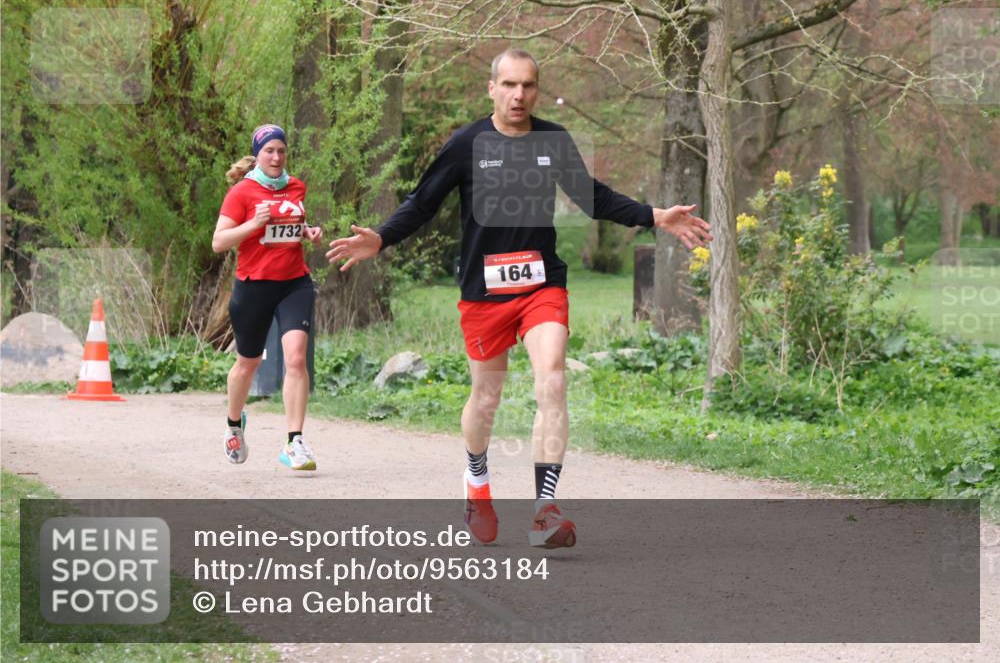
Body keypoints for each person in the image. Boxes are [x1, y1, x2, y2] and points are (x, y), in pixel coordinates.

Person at [326, 50, 712, 547]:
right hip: (484, 292)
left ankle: (543, 510)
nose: (519, 95)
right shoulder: (467, 143)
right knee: (486, 399)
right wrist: (379, 238)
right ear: (492, 88)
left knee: (551, 379)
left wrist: (656, 215)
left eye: (528, 85)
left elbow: (591, 196)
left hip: (541, 285)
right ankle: (477, 482)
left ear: (536, 89)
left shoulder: (552, 140)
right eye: (509, 85)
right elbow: (422, 203)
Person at [212, 124, 324, 471]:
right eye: (269, 151)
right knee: (248, 364)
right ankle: (234, 425)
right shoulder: (242, 193)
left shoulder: (296, 187)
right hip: (254, 286)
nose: (276, 157)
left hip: (293, 283)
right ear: (258, 155)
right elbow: (219, 242)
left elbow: (290, 227)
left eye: (281, 151)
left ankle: (295, 442)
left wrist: (308, 232)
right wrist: (252, 225)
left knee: (295, 358)